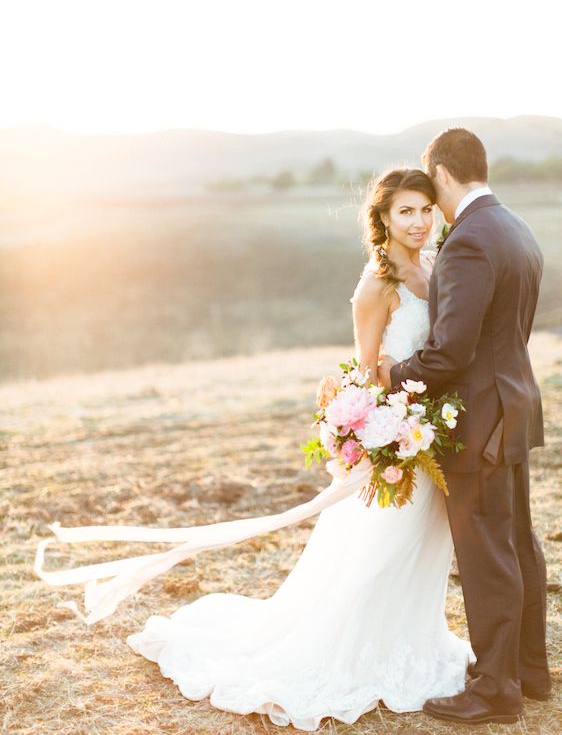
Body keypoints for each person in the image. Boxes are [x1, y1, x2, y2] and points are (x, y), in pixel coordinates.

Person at [35, 167, 474, 732]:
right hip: (396, 437)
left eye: (425, 210)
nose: (418, 222)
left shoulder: (436, 262)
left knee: (422, 547)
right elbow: (367, 372)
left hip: (430, 432)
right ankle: (349, 653)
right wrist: (382, 435)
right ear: (383, 219)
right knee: (378, 550)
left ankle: (411, 643)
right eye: (405, 212)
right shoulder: (376, 286)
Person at [379, 128, 551, 725]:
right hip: (515, 407)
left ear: (444, 174)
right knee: (519, 544)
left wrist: (392, 378)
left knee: (487, 553)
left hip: (480, 419)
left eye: (434, 191)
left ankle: (495, 690)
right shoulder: (513, 226)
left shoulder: (470, 240)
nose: (434, 206)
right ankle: (530, 672)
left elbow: (450, 353)